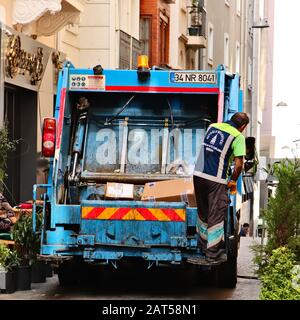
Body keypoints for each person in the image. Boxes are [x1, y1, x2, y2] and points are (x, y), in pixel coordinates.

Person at [189, 112, 249, 264]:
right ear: (243, 126)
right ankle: (212, 254)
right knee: (215, 215)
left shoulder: (212, 126)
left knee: (203, 214)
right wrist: (233, 180)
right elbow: (239, 165)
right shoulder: (238, 136)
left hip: (198, 175)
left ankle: (203, 248)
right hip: (215, 179)